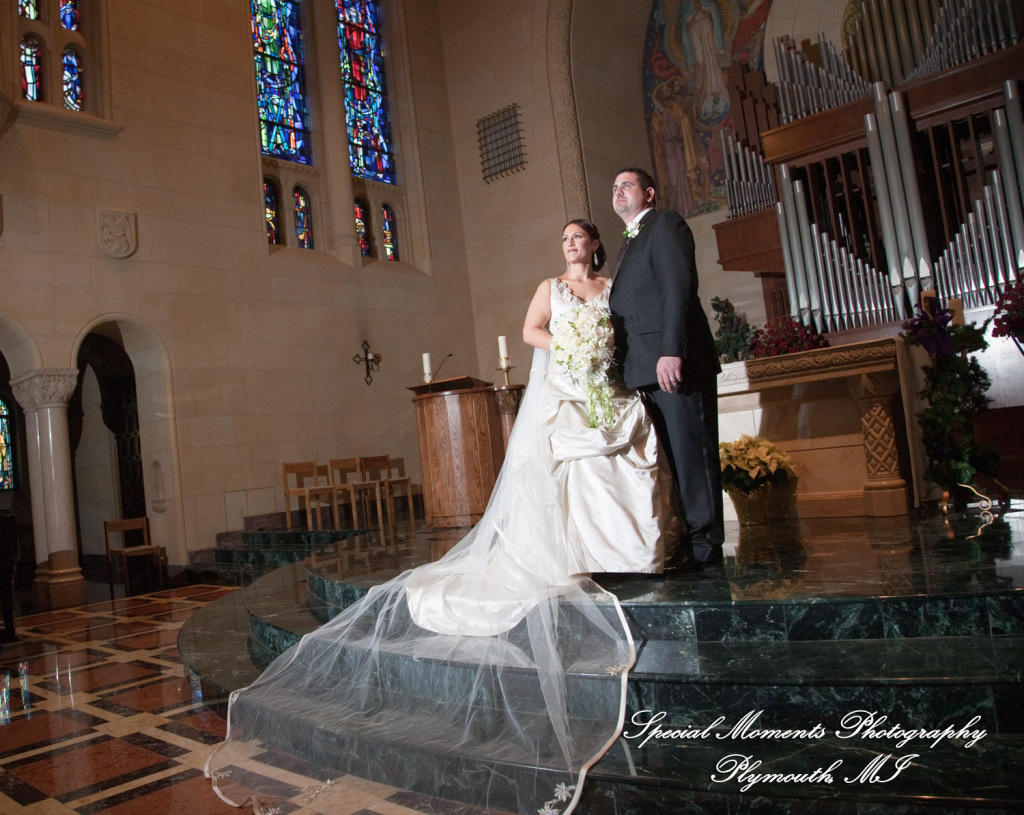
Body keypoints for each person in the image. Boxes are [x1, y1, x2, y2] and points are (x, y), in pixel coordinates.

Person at [206, 220, 671, 815]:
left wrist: (598, 352)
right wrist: (570, 345)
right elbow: (532, 331)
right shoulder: (548, 287)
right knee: (560, 471)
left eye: (578, 238)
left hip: (601, 385)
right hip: (564, 387)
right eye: (563, 239)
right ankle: (570, 551)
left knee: (610, 467)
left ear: (595, 244)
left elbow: (624, 328)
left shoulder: (609, 286)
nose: (570, 246)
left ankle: (616, 550)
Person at [609, 167, 724, 566]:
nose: (618, 191)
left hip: (674, 363)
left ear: (650, 193)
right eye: (615, 187)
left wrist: (671, 350)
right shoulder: (630, 239)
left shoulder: (664, 224)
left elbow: (678, 288)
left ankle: (706, 547)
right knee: (672, 460)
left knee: (694, 455)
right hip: (645, 370)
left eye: (627, 185)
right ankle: (686, 542)